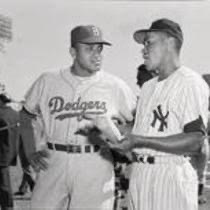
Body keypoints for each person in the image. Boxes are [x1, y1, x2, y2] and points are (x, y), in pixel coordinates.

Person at [22, 25, 136, 209]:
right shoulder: (48, 80)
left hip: (95, 161)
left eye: (99, 49)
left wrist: (119, 140)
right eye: (89, 48)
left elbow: (135, 121)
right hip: (53, 158)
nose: (96, 54)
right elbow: (26, 114)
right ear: (73, 51)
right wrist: (29, 151)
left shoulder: (115, 85)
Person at [108, 18, 209, 210]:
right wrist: (112, 131)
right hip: (140, 172)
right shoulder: (148, 87)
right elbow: (146, 130)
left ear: (170, 42)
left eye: (149, 42)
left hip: (170, 173)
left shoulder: (190, 82)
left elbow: (195, 140)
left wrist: (140, 141)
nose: (143, 49)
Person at [0, 92, 20, 210]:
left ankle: (7, 206)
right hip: (10, 151)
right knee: (4, 180)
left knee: (3, 183)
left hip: (1, 152)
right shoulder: (15, 114)